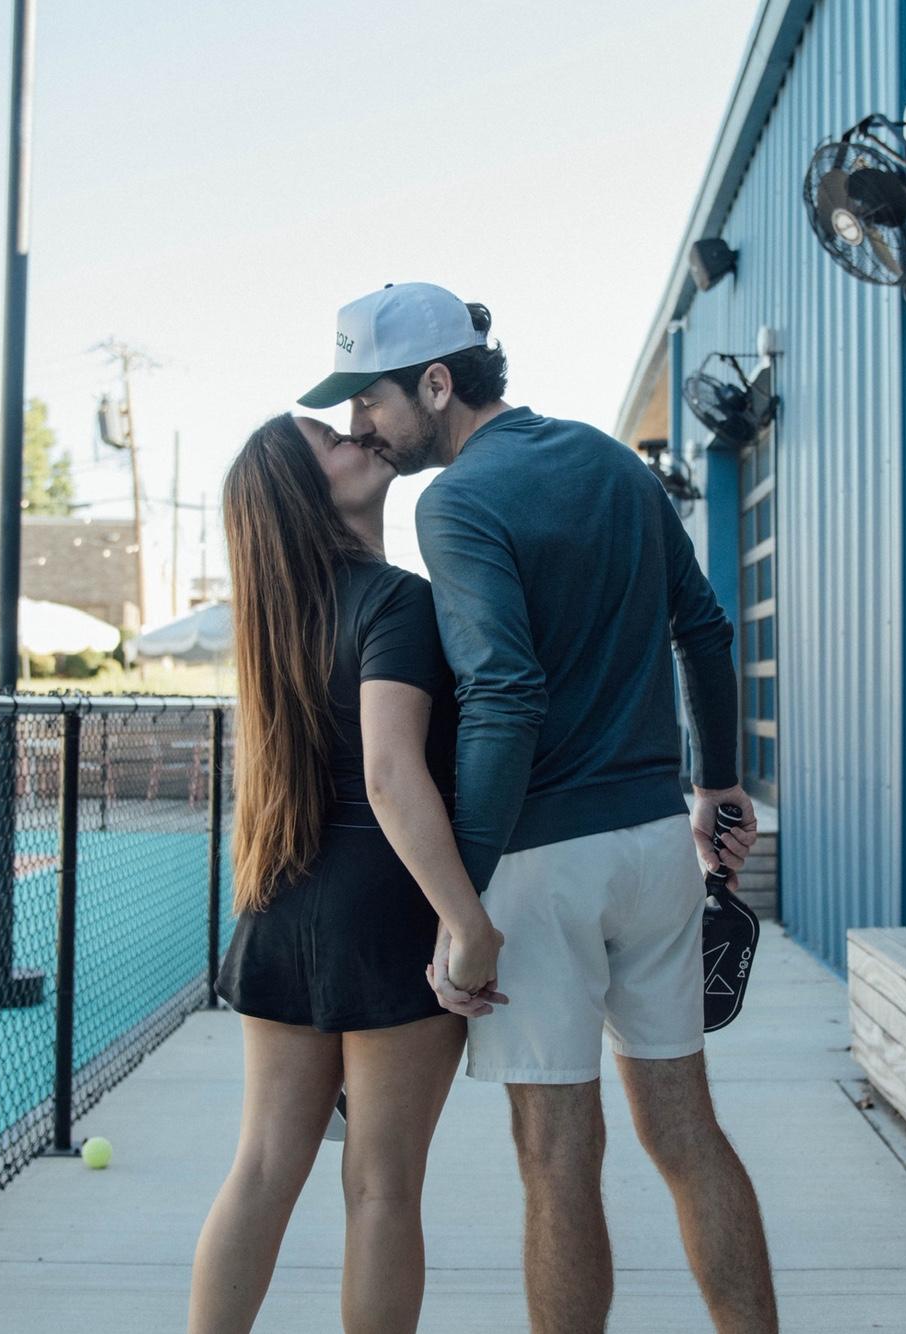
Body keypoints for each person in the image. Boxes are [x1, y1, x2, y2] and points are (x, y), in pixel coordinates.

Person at [297, 281, 778, 1334]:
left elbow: (504, 693)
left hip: (540, 864)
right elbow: (703, 627)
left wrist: (462, 904)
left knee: (556, 1156)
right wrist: (718, 784)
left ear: (436, 383)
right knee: (686, 1133)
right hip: (655, 846)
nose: (360, 423)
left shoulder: (455, 502)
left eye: (371, 398)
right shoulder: (613, 462)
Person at [186, 409, 506, 1334]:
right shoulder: (396, 600)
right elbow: (391, 774)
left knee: (261, 1169)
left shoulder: (277, 621)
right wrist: (468, 923)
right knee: (381, 1187)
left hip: (282, 903)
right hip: (386, 914)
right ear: (305, 492)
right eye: (331, 441)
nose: (357, 437)